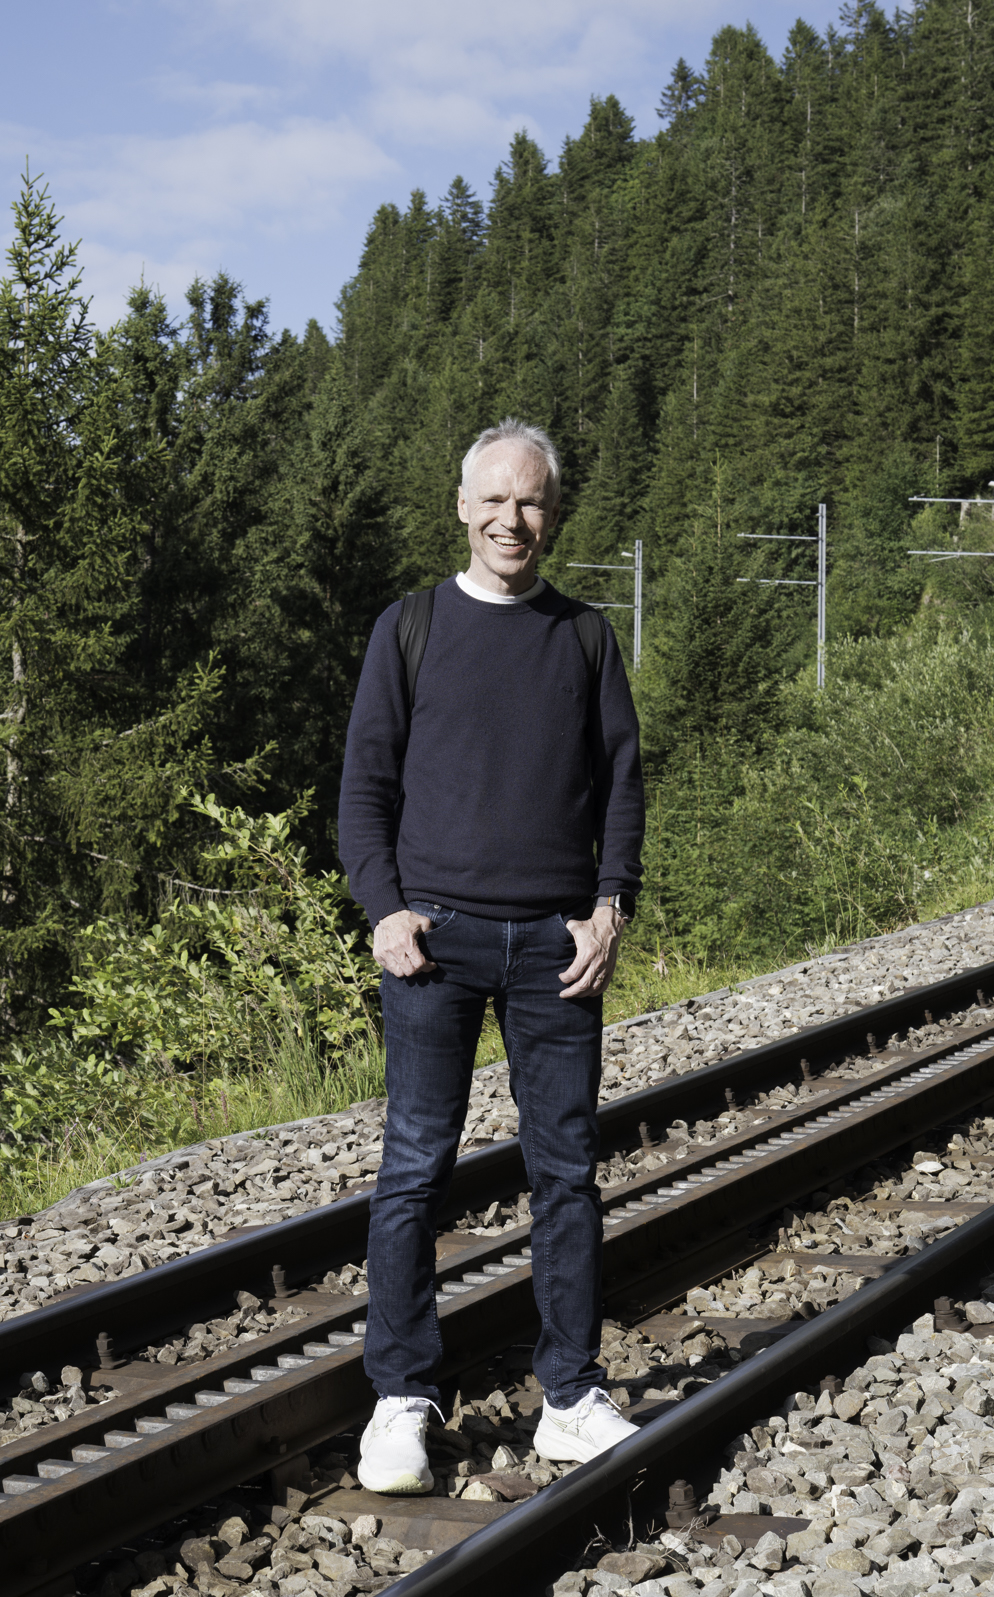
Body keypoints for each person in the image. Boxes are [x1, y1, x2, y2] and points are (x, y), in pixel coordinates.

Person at [337, 418, 646, 1495]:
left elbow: (622, 785)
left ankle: (570, 1396)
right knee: (414, 1172)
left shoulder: (585, 638)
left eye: (532, 502)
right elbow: (364, 788)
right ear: (462, 507)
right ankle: (401, 1403)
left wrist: (612, 908)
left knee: (565, 1172)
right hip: (433, 944)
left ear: (550, 514)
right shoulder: (410, 627)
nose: (513, 519)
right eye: (495, 501)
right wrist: (383, 909)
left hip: (558, 949)